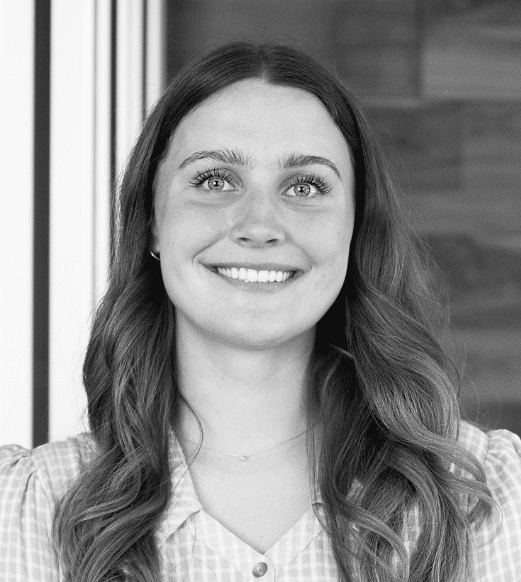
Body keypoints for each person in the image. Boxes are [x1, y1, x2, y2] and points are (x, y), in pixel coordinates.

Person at [1, 41, 520, 582]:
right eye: (215, 180)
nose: (259, 224)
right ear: (153, 218)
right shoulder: (27, 513)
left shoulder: (489, 504)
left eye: (305, 186)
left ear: (354, 228)